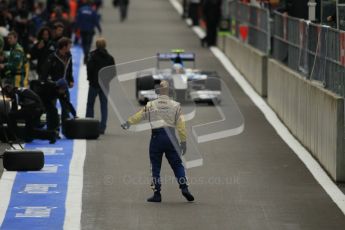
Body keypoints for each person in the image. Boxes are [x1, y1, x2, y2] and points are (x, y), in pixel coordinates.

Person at [121, 80, 194, 203]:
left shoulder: (151, 105)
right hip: (171, 137)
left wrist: (128, 123)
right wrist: (183, 142)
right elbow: (181, 126)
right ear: (170, 92)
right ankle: (184, 188)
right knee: (177, 165)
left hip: (156, 137)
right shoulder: (176, 105)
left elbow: (139, 116)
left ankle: (157, 194)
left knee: (155, 167)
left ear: (158, 92)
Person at [41, 37, 74, 131]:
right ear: (64, 47)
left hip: (64, 86)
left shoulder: (69, 56)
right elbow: (45, 72)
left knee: (66, 108)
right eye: (69, 46)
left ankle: (66, 129)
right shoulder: (52, 57)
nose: (70, 47)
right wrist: (48, 83)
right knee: (51, 109)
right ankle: (52, 130)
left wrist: (71, 79)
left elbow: (69, 69)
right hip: (53, 87)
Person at [86, 38, 115, 134]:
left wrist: (90, 80)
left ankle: (89, 125)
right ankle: (102, 127)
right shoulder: (110, 58)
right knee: (104, 106)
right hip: (104, 85)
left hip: (94, 84)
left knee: (90, 104)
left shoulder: (92, 56)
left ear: (96, 45)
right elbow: (113, 72)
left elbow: (89, 69)